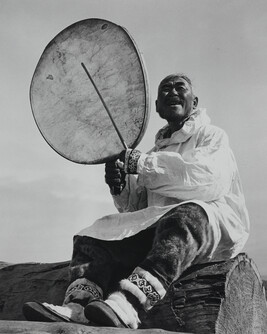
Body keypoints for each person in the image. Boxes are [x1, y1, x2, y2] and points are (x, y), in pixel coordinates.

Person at [23, 74, 250, 328]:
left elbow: (205, 179)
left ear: (194, 102)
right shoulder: (156, 152)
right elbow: (137, 210)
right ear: (157, 107)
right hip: (164, 230)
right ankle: (78, 305)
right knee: (96, 234)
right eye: (165, 89)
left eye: (180, 87)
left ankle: (129, 305)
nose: (172, 91)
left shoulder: (211, 135)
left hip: (210, 226)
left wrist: (139, 164)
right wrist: (120, 185)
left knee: (186, 215)